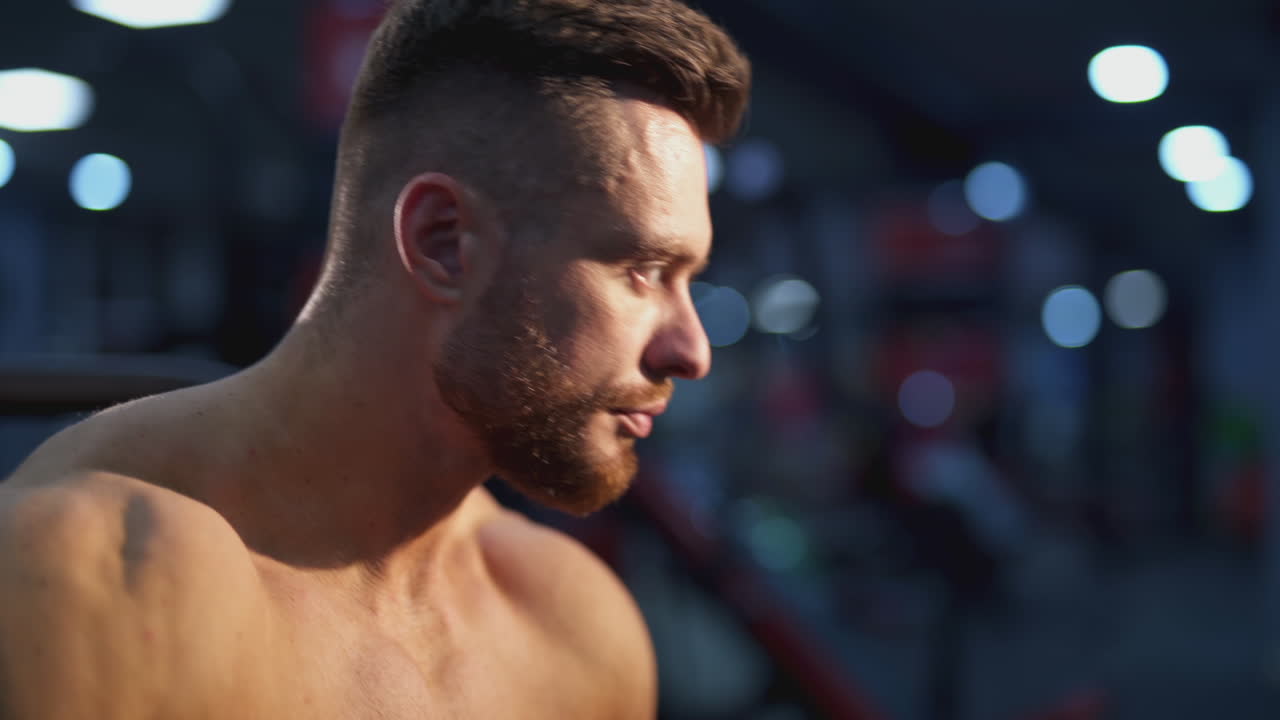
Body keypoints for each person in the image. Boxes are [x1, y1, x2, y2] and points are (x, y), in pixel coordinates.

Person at [0, 1, 750, 716]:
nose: (692, 351)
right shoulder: (88, 580)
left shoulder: (574, 623)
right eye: (643, 271)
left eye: (689, 279)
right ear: (442, 242)